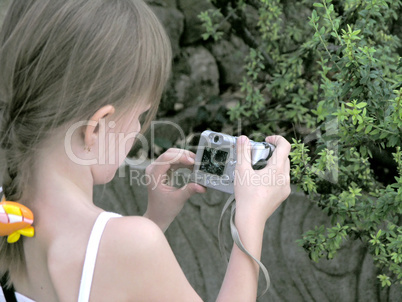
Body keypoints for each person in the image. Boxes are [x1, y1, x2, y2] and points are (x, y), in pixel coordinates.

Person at [0, 0, 291, 301]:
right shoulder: (133, 245)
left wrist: (155, 219)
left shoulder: (8, 215)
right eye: (140, 115)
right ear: (97, 126)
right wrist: (250, 221)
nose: (139, 130)